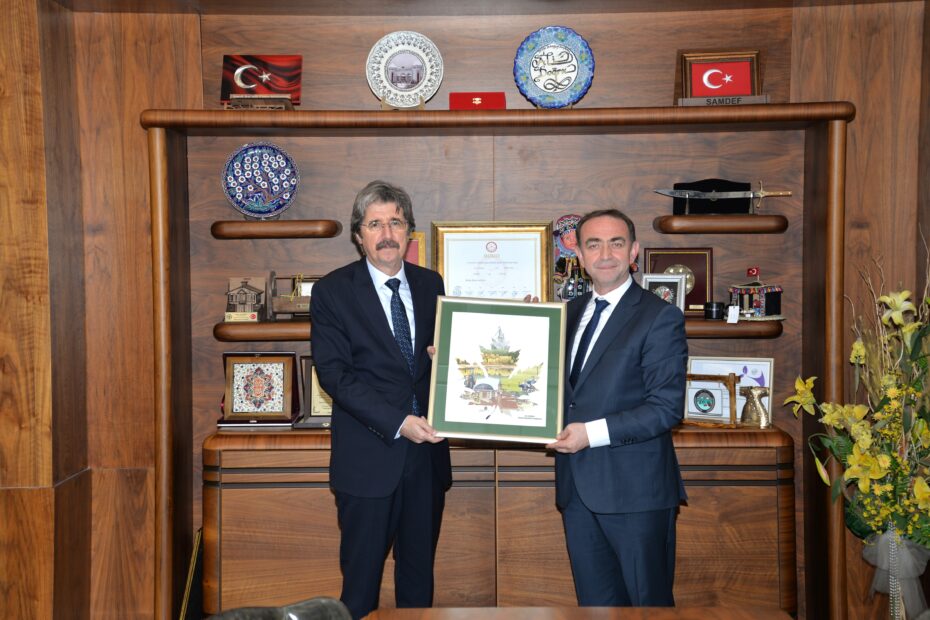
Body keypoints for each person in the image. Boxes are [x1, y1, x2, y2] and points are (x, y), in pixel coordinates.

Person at [310, 180, 450, 619]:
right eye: (375, 224)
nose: (387, 234)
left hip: (426, 460)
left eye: (396, 222)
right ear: (359, 235)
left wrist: (451, 356)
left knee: (418, 584)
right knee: (360, 589)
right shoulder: (333, 291)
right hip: (368, 461)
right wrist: (399, 422)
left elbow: (447, 359)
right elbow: (335, 375)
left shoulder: (431, 284)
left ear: (409, 231)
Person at [546, 208, 688, 607]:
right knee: (595, 607)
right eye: (594, 244)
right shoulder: (566, 314)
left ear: (633, 251)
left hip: (636, 495)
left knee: (647, 607)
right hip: (577, 493)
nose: (605, 254)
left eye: (616, 243)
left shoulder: (660, 316)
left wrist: (589, 434)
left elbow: (665, 408)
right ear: (579, 255)